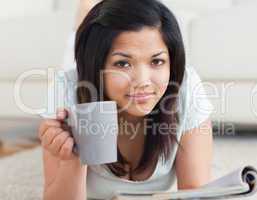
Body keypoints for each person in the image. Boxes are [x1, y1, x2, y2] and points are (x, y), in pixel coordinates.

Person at [38, 0, 214, 199]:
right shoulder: (66, 91)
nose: (142, 82)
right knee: (80, 39)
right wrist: (70, 159)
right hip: (86, 80)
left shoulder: (186, 87)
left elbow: (195, 192)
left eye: (157, 61)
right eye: (122, 63)